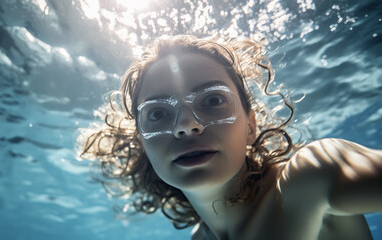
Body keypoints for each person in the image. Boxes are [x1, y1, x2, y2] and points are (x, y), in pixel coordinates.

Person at [79, 35, 382, 239]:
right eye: (157, 113)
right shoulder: (201, 237)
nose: (185, 125)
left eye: (212, 101)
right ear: (142, 143)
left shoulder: (313, 176)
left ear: (250, 126)